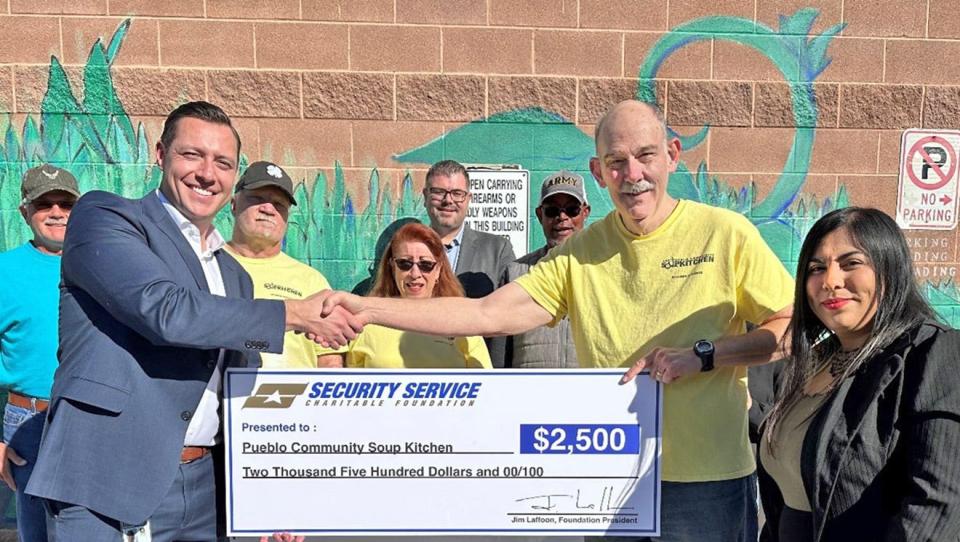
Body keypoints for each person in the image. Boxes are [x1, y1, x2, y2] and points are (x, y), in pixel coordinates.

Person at [317, 100, 795, 542]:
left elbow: (789, 329)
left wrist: (705, 355)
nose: (633, 174)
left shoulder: (726, 233)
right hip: (610, 481)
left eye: (646, 156)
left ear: (672, 155)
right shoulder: (581, 252)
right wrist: (370, 309)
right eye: (615, 162)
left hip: (704, 481)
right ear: (599, 172)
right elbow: (487, 313)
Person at [24, 101, 360, 541]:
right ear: (161, 155)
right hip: (107, 477)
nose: (207, 173)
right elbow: (164, 309)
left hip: (205, 488)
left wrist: (269, 495)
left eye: (222, 162)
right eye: (192, 155)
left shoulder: (235, 275)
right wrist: (294, 313)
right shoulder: (106, 218)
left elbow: (242, 387)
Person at [758, 207, 960, 542]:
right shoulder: (811, 361)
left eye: (851, 264)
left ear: (889, 270)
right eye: (816, 268)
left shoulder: (933, 353)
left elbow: (938, 505)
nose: (831, 281)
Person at [0, 164, 80, 542]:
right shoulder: (5, 271)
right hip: (27, 423)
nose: (56, 212)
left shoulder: (104, 264)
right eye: (44, 203)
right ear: (25, 212)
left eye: (65, 203)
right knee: (38, 534)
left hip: (91, 419)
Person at [225, 161, 344, 368]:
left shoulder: (312, 282)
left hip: (296, 399)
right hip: (220, 398)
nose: (268, 209)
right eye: (257, 198)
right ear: (234, 204)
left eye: (279, 205)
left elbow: (329, 360)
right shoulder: (207, 264)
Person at [345, 222, 491, 369]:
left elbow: (486, 386)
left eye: (425, 264)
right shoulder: (366, 323)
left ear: (439, 269)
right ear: (392, 267)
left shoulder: (463, 323)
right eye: (405, 263)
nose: (415, 274)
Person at [491, 169, 590, 368]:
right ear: (539, 215)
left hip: (589, 395)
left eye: (571, 209)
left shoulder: (605, 270)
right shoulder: (515, 273)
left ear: (585, 212)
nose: (562, 217)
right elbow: (500, 353)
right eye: (552, 210)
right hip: (528, 396)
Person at [423, 159, 515, 300]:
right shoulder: (408, 248)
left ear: (468, 199)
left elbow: (510, 308)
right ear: (425, 196)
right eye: (439, 192)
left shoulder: (497, 249)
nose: (448, 200)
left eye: (457, 193)